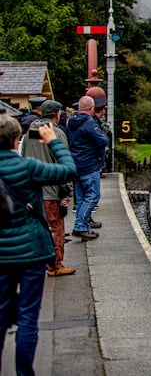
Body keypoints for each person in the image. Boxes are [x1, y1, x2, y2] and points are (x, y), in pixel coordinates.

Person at [0, 113, 77, 376]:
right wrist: (54, 142)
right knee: (28, 317)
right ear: (17, 139)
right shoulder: (28, 167)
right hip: (31, 251)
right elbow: (68, 169)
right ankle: (24, 373)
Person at [21, 100, 75, 277]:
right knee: (55, 227)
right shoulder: (56, 133)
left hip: (32, 191)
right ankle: (55, 265)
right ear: (57, 114)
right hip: (52, 190)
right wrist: (67, 191)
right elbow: (63, 163)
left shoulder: (30, 133)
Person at [67, 96, 108, 241]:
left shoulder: (71, 122)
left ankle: (85, 228)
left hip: (76, 164)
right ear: (91, 108)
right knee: (92, 196)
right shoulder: (89, 123)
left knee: (81, 198)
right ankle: (79, 226)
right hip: (89, 165)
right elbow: (102, 140)